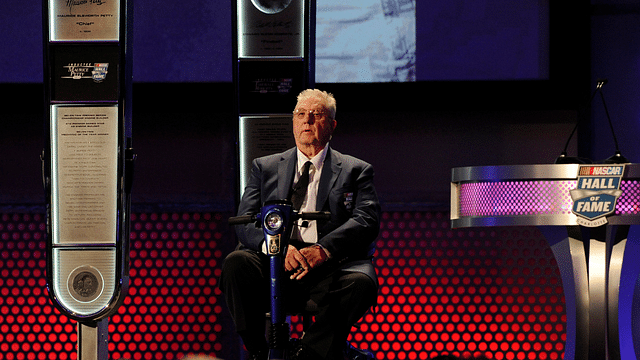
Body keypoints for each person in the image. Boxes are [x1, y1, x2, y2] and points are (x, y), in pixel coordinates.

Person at [220, 89, 381, 360]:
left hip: (329, 265)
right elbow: (244, 222)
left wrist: (323, 250)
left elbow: (367, 220)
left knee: (362, 282)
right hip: (275, 261)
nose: (307, 120)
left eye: (317, 114)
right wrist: (277, 250)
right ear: (293, 122)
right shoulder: (265, 167)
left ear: (332, 125)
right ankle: (260, 351)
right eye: (300, 114)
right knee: (236, 265)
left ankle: (308, 353)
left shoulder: (356, 169)